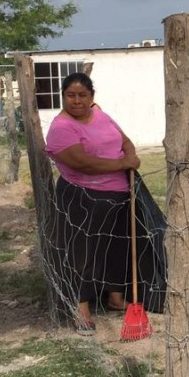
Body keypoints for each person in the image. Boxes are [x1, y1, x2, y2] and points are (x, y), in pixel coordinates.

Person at [45, 73, 140, 336]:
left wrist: (131, 156)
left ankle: (115, 297)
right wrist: (122, 164)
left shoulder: (101, 115)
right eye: (70, 95)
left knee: (118, 247)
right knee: (82, 252)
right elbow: (82, 162)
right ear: (63, 96)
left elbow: (125, 141)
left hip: (119, 193)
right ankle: (81, 307)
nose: (76, 101)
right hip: (83, 197)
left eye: (82, 95)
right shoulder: (61, 128)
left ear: (92, 97)